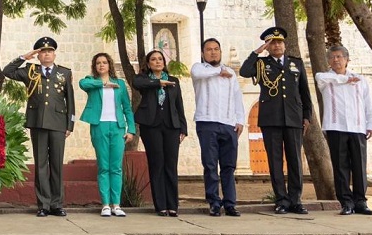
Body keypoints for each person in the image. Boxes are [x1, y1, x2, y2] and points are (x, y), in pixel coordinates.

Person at [239, 26, 312, 215]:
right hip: (271, 118)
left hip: (294, 117)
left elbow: (304, 92)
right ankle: (282, 200)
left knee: (295, 160)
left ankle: (296, 200)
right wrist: (257, 52)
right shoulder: (261, 63)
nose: (277, 45)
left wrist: (307, 116)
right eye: (272, 43)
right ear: (268, 46)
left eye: (279, 42)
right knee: (275, 160)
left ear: (284, 44)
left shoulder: (296, 63)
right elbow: (245, 72)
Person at [2, 36, 76, 217]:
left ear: (54, 54)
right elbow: (7, 71)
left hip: (59, 124)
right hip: (38, 123)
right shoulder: (30, 71)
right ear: (38, 55)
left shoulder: (64, 73)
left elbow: (70, 101)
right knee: (41, 164)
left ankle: (57, 204)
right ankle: (43, 204)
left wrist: (70, 124)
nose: (46, 55)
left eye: (49, 51)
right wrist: (24, 57)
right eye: (42, 52)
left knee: (57, 164)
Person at [315, 45, 372, 216]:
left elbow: (368, 103)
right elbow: (323, 78)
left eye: (339, 57)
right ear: (328, 61)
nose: (336, 60)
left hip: (357, 127)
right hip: (336, 127)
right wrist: (345, 80)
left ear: (347, 59)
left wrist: (370, 124)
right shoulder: (324, 78)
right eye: (333, 57)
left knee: (359, 165)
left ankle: (361, 202)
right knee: (341, 166)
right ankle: (346, 202)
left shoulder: (360, 80)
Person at [191, 38, 245, 217]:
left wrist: (240, 120)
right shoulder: (199, 69)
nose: (213, 52)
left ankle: (230, 203)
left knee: (229, 166)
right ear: (202, 53)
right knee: (210, 164)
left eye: (216, 49)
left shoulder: (230, 72)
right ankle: (214, 202)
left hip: (228, 123)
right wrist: (218, 72)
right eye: (209, 49)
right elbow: (200, 75)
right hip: (207, 122)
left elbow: (237, 97)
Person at [79, 52, 135, 217]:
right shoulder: (92, 82)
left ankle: (116, 204)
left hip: (117, 127)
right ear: (95, 67)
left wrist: (131, 129)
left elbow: (127, 108)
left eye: (104, 62)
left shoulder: (120, 84)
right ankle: (105, 204)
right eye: (98, 63)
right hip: (99, 126)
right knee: (103, 166)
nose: (101, 65)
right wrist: (102, 83)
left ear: (110, 65)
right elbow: (83, 84)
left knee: (116, 167)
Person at [133, 49, 187, 217]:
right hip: (151, 126)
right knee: (157, 164)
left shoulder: (173, 80)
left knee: (171, 164)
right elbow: (138, 84)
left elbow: (179, 105)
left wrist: (183, 128)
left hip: (171, 125)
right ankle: (160, 205)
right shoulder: (144, 79)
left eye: (160, 59)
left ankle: (173, 205)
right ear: (148, 64)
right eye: (154, 59)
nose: (158, 62)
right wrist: (158, 83)